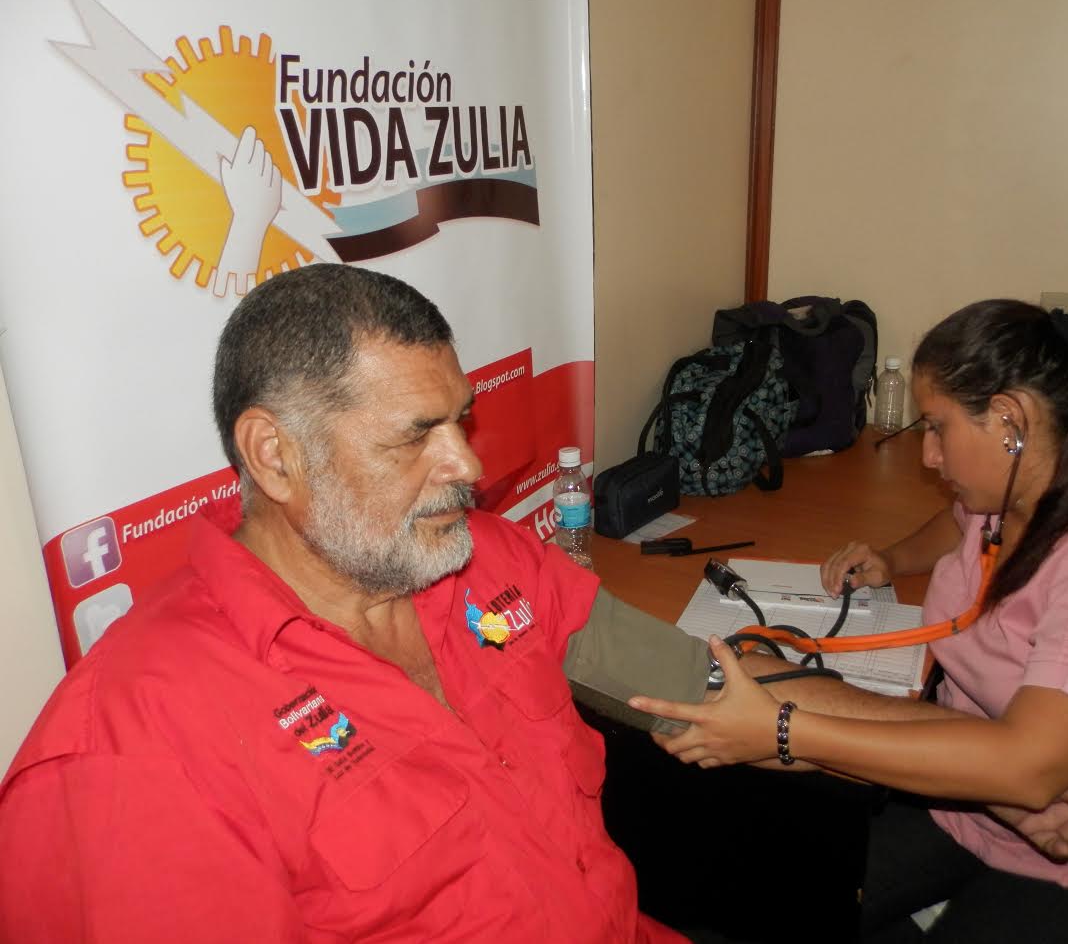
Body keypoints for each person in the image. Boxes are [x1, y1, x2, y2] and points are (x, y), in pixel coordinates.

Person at [0, 264, 686, 943]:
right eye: (415, 435)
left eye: (460, 422)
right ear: (276, 456)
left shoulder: (475, 554)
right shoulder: (138, 743)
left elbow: (675, 677)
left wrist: (753, 706)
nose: (468, 466)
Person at [630, 300, 1068, 943]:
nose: (929, 455)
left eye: (939, 428)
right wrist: (893, 559)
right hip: (970, 798)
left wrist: (784, 731)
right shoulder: (1015, 486)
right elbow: (957, 523)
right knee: (758, 895)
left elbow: (1031, 768)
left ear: (1010, 420)